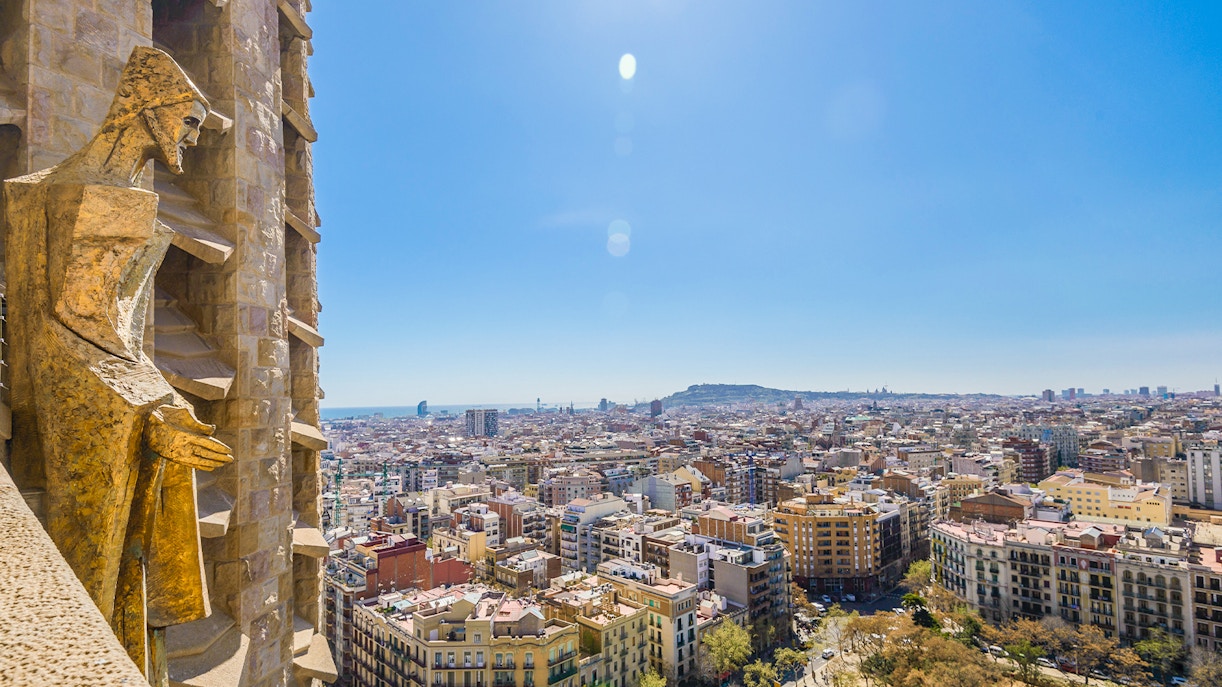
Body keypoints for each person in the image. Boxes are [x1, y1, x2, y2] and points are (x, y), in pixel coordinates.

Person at [4, 46, 233, 675]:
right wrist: (158, 406)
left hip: (101, 389)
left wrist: (159, 399)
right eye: (187, 119)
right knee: (94, 561)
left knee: (117, 558)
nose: (192, 134)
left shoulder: (100, 188)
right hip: (85, 404)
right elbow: (74, 328)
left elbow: (100, 330)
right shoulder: (104, 195)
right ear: (150, 110)